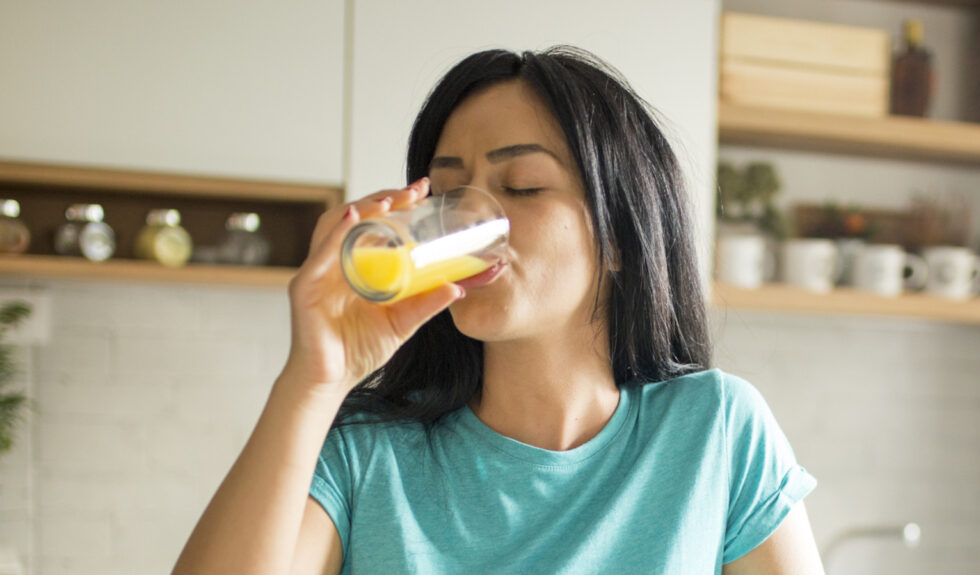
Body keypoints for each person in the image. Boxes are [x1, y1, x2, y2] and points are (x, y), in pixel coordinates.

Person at [172, 46, 824, 575]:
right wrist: (313, 379)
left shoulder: (715, 432)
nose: (474, 220)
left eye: (523, 187)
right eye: (449, 193)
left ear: (620, 237)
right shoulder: (366, 454)